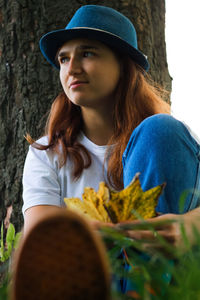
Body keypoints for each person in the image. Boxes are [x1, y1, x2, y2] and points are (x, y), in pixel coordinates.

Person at [11, 4, 200, 299]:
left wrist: (193, 226)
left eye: (87, 53)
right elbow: (43, 243)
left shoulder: (169, 142)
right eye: (63, 58)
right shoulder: (46, 154)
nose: (71, 68)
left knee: (161, 130)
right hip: (92, 285)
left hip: (168, 277)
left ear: (123, 64)